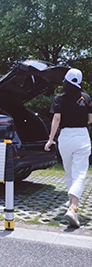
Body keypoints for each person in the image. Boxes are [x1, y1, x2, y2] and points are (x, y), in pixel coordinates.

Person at [44, 68, 92, 227]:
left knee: (70, 172)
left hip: (65, 137)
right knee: (79, 174)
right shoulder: (85, 98)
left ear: (66, 81)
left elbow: (56, 119)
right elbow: (90, 120)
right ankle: (73, 207)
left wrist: (50, 140)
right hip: (82, 137)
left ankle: (72, 205)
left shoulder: (59, 98)